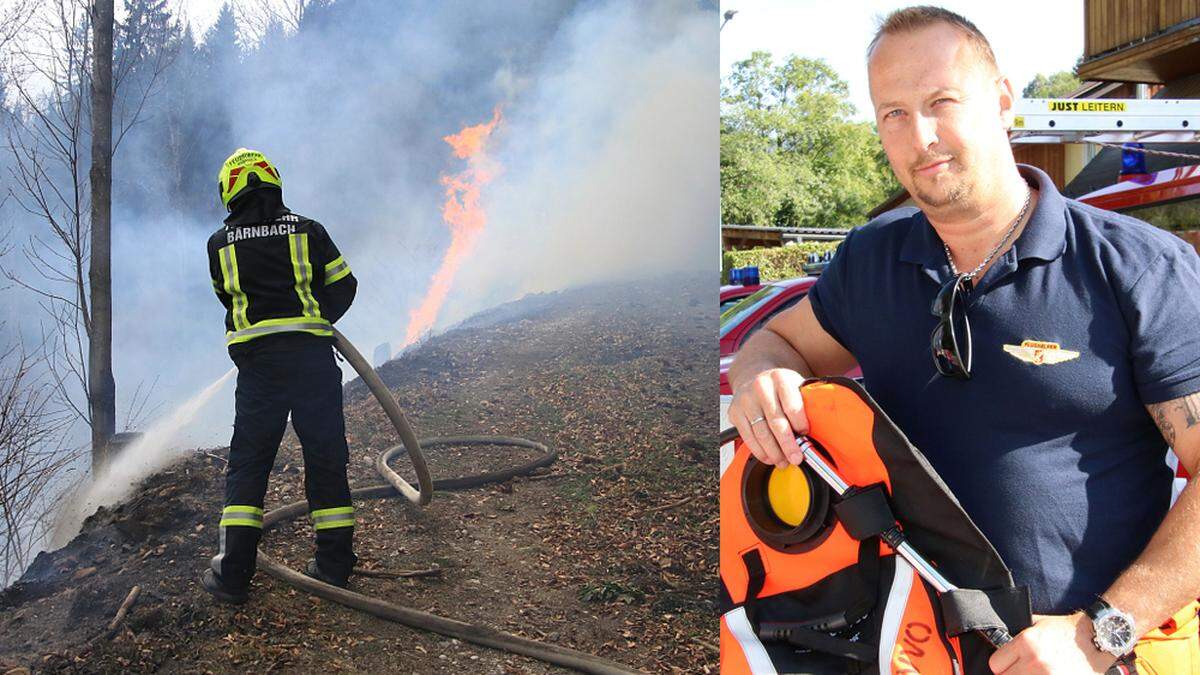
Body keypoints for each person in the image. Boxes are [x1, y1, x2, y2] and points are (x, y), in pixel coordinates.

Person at [727, 7, 1200, 674]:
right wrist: (760, 377)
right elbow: (776, 341)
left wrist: (1100, 632)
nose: (919, 135)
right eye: (892, 112)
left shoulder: (1136, 269)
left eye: (941, 101)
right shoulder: (871, 260)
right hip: (902, 647)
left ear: (1003, 99)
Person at [201, 148, 359, 604]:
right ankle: (334, 567)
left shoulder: (220, 244)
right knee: (326, 460)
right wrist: (318, 320)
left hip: (260, 371)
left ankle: (232, 578)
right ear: (274, 183)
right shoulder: (309, 231)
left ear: (229, 191)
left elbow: (228, 301)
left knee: (249, 467)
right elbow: (345, 284)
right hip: (312, 362)